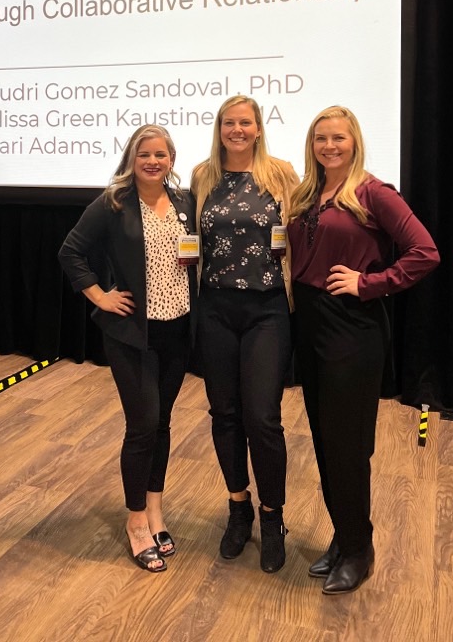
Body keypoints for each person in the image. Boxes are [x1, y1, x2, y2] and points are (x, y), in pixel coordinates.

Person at [287, 105, 440, 595]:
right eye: (320, 139)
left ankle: (360, 550)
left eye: (339, 138)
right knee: (325, 439)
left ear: (354, 142)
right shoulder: (309, 193)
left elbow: (425, 252)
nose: (329, 146)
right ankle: (343, 535)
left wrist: (371, 283)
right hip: (309, 324)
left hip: (351, 328)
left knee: (348, 445)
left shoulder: (374, 192)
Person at [58, 125, 197, 573]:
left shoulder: (184, 203)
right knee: (143, 424)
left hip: (176, 330)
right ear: (131, 159)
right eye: (144, 154)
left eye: (161, 154)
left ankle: (156, 509)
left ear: (172, 159)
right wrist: (100, 296)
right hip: (132, 335)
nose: (153, 161)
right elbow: (70, 252)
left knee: (162, 424)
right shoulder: (114, 202)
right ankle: (136, 520)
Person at [191, 95, 298, 573]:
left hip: (267, 309)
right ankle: (239, 507)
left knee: (263, 417)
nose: (237, 130)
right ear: (220, 128)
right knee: (225, 413)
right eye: (229, 123)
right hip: (215, 308)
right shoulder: (202, 176)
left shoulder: (281, 173)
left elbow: (303, 231)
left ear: (258, 128)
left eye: (245, 123)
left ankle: (272, 517)